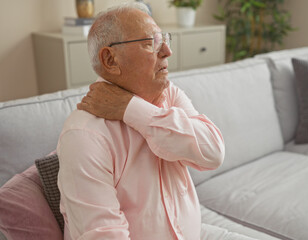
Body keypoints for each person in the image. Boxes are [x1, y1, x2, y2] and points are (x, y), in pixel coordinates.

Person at [57, 2, 225, 239]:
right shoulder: (84, 135)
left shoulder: (169, 93)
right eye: (151, 43)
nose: (167, 51)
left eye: (164, 39)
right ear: (111, 60)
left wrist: (131, 109)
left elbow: (213, 153)